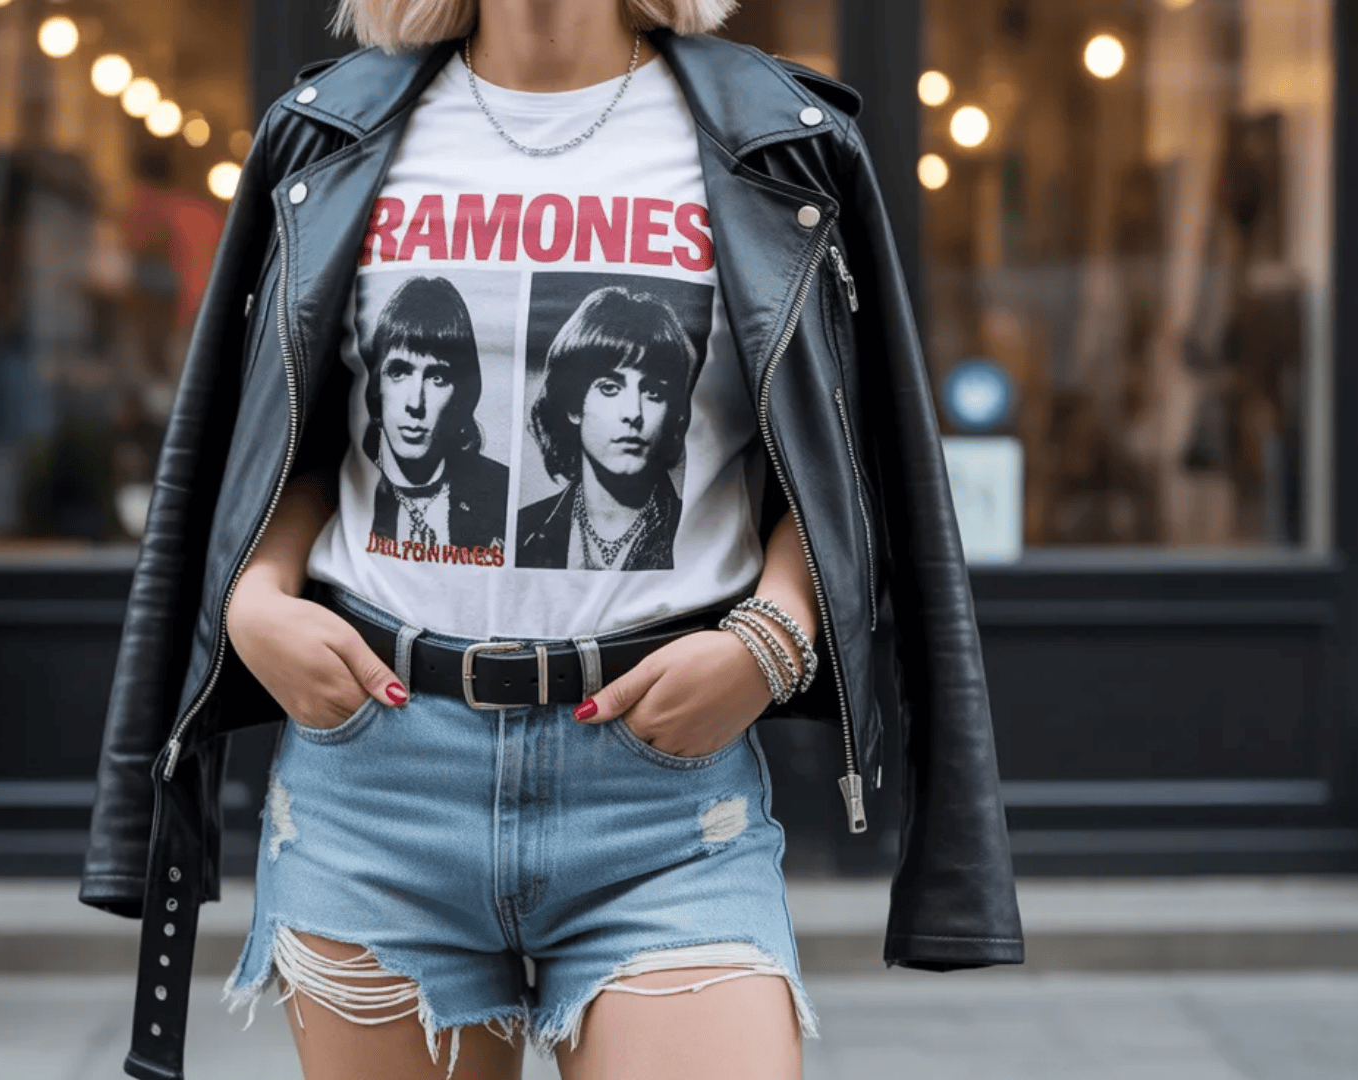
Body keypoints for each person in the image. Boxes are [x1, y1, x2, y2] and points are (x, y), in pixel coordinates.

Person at [82, 2, 1023, 1079]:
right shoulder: (327, 132)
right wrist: (252, 600)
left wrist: (775, 634)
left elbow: (843, 457)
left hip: (662, 797)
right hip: (379, 780)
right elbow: (294, 441)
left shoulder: (780, 138)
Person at [518, 285, 695, 571]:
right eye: (610, 388)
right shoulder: (522, 531)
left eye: (653, 393)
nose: (633, 414)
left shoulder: (696, 531)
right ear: (574, 405)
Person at [362, 275, 509, 553]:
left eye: (437, 377)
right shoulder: (345, 484)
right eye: (399, 372)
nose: (415, 403)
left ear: (462, 392)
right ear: (376, 384)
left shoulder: (503, 494)